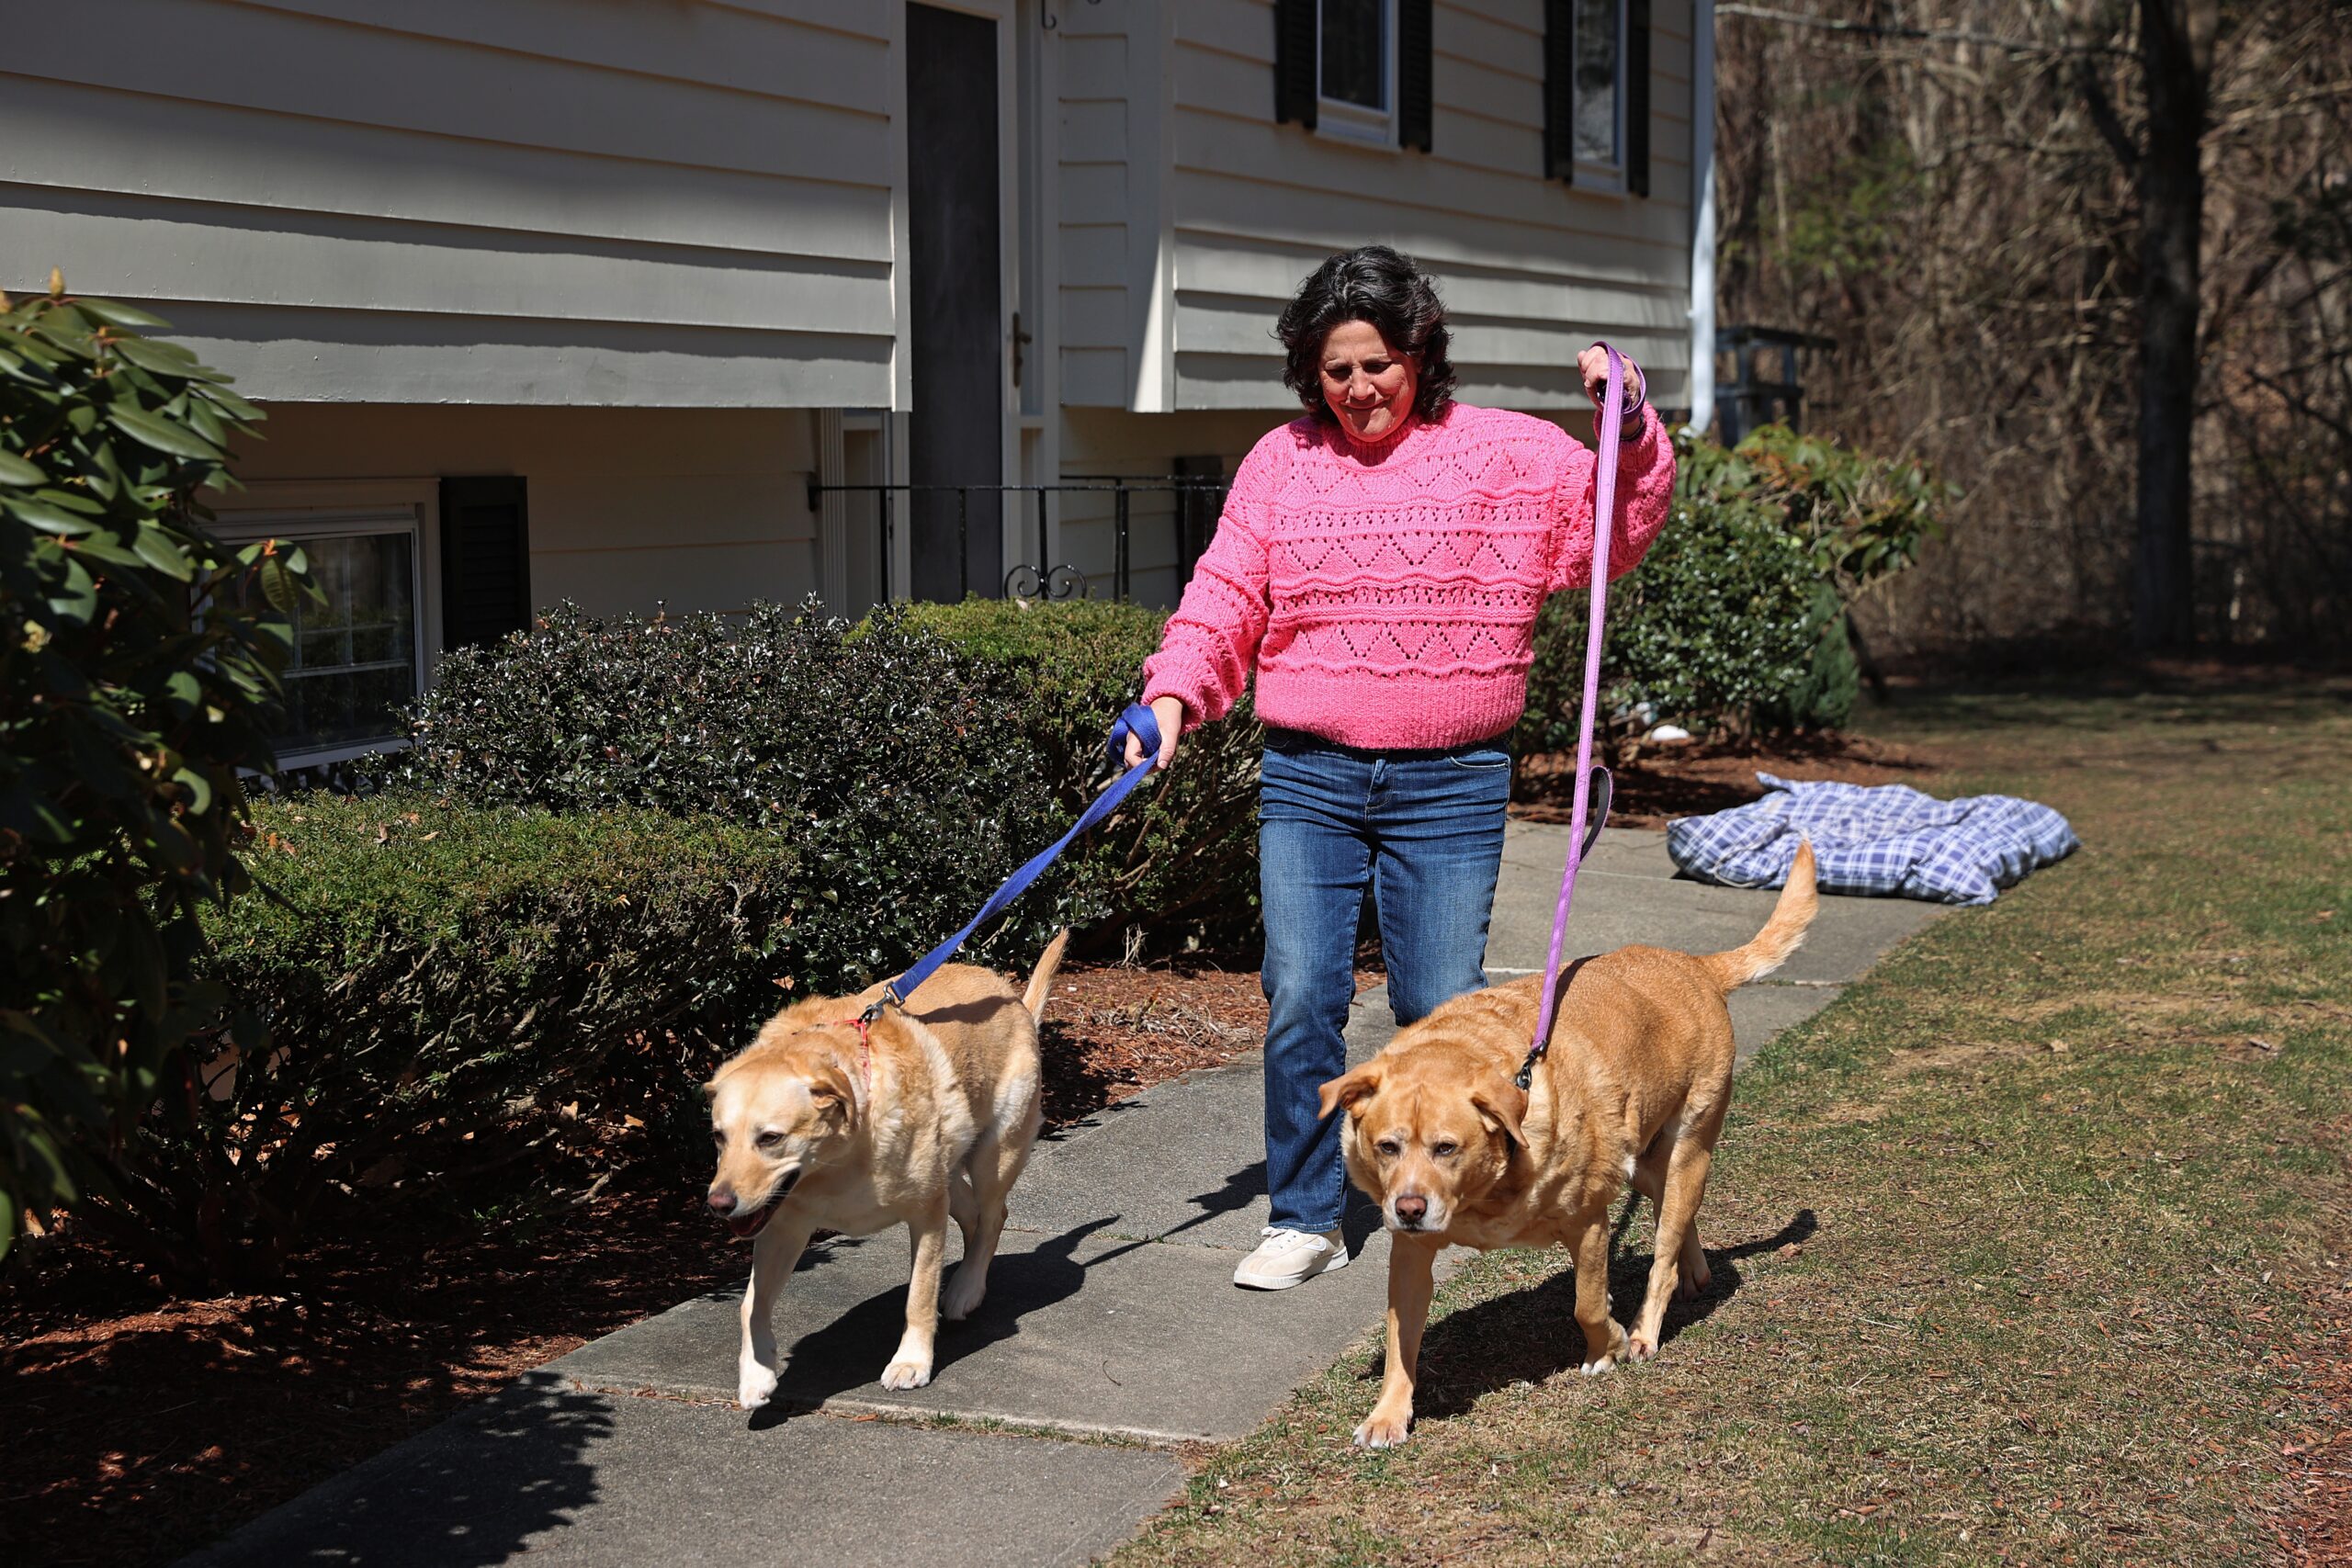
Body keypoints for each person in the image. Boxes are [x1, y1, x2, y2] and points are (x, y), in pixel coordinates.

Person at [1122, 244, 1677, 1290]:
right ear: (1307, 375)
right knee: (1299, 995)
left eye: (1377, 364)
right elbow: (1225, 595)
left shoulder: (1510, 455)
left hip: (1449, 781)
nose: (1358, 390)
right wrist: (1170, 699)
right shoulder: (1281, 463)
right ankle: (1304, 1216)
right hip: (1309, 777)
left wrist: (1632, 418)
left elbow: (1618, 524)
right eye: (1335, 372)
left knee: (1440, 1005)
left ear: (1419, 353)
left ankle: (1462, 1193)